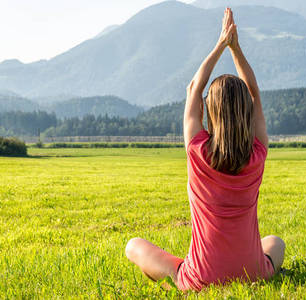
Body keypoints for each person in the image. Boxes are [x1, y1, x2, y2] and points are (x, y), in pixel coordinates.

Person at [125, 7, 285, 291]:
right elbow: (255, 92)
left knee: (133, 246)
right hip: (254, 273)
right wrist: (236, 50)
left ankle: (177, 276)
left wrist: (221, 43)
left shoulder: (198, 151)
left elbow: (192, 89)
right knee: (275, 243)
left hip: (202, 278)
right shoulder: (258, 154)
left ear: (210, 111)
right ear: (247, 111)